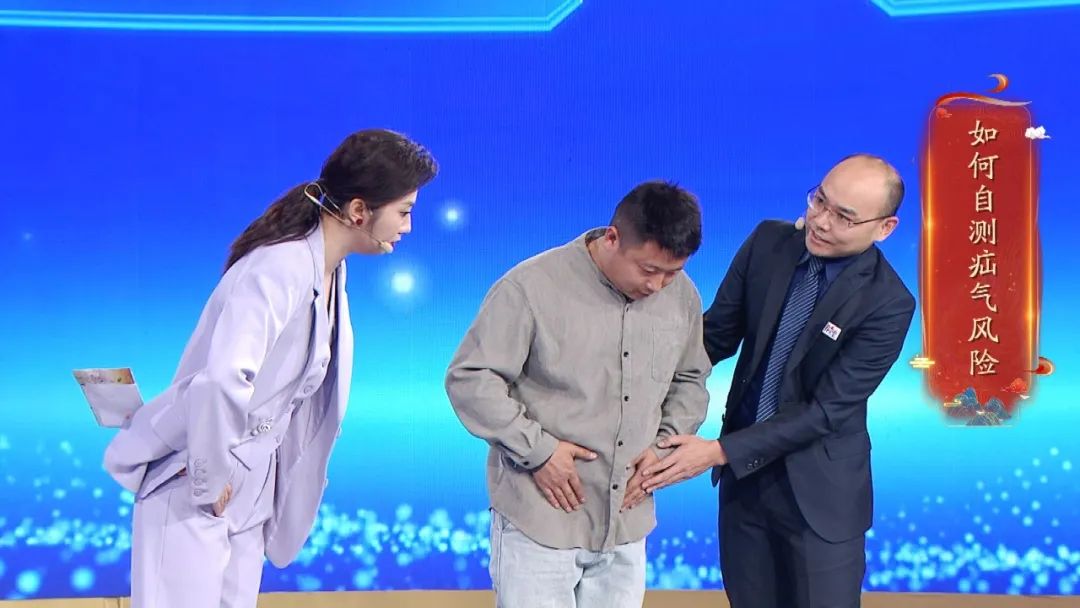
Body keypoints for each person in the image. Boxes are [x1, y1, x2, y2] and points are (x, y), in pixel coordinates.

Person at [103, 129, 438, 608]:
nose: (407, 226)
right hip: (201, 473)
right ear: (359, 211)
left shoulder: (330, 271)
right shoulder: (279, 266)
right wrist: (210, 480)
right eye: (403, 212)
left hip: (253, 483)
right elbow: (224, 378)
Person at [640, 154, 916, 607]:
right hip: (744, 486)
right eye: (819, 201)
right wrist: (632, 388)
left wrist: (719, 451)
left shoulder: (887, 302)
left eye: (844, 217)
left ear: (884, 228)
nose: (820, 221)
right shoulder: (769, 243)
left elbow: (826, 411)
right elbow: (713, 338)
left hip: (820, 497)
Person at [445, 181, 711, 608]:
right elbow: (472, 378)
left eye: (672, 272)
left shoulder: (682, 297)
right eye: (648, 270)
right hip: (541, 519)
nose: (658, 286)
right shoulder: (530, 287)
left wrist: (663, 447)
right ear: (613, 238)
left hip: (627, 523)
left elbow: (690, 379)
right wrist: (539, 452)